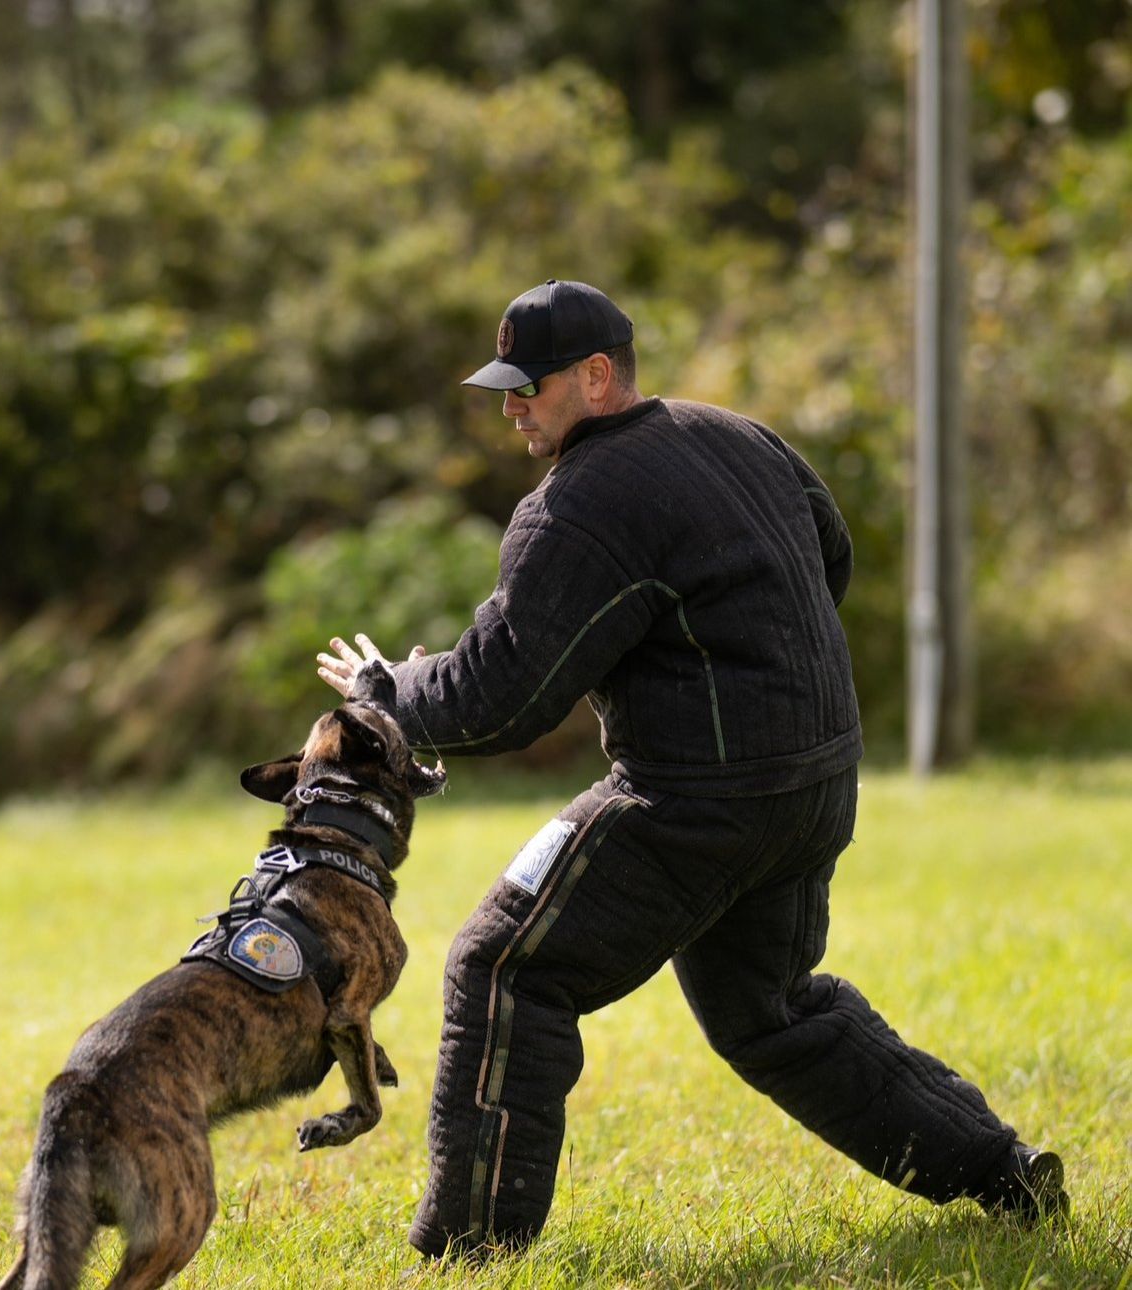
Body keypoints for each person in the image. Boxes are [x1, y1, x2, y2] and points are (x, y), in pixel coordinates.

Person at [316, 279, 1067, 1258]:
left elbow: (501, 696)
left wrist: (387, 691)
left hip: (694, 799)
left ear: (596, 376)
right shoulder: (741, 437)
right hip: (815, 780)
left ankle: (472, 1252)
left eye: (527, 387)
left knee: (503, 969)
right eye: (502, 389)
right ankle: (1005, 1172)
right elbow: (828, 556)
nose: (510, 409)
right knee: (769, 1012)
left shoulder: (579, 505)